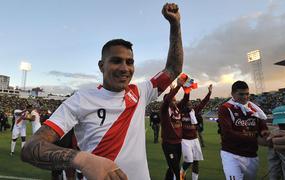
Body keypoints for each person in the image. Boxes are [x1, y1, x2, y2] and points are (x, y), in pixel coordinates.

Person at [21, 3, 183, 180]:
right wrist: (82, 160)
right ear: (101, 66)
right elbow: (31, 148)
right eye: (116, 61)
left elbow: (173, 68)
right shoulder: (81, 99)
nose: (124, 68)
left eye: (130, 62)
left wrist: (175, 25)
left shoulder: (141, 91)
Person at [217, 81, 269, 180]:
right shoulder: (225, 108)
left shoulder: (254, 108)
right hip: (232, 154)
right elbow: (228, 134)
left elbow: (262, 124)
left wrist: (264, 131)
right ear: (232, 94)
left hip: (252, 154)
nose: (245, 97)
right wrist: (255, 139)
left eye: (247, 94)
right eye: (241, 94)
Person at [179, 84, 212, 180]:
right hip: (185, 140)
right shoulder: (181, 112)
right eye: (188, 104)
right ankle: (181, 174)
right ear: (184, 105)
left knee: (196, 161)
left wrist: (209, 92)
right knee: (188, 161)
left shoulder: (194, 111)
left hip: (195, 139)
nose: (190, 106)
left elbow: (203, 103)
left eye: (191, 104)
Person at [160, 78, 184, 180]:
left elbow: (185, 100)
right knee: (176, 169)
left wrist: (187, 90)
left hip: (178, 142)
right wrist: (177, 87)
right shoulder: (164, 110)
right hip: (169, 144)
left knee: (172, 167)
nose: (175, 101)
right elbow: (167, 100)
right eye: (173, 100)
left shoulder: (177, 109)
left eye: (175, 99)